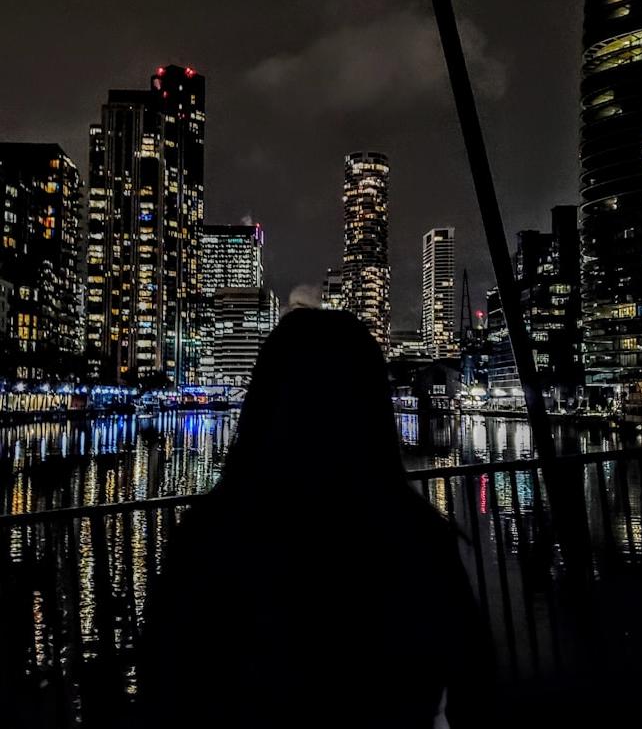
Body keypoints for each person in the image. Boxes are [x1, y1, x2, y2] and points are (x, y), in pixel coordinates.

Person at [137, 309, 487, 728]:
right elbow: (471, 678)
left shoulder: (212, 537)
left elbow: (164, 682)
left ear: (263, 405)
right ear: (372, 411)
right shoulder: (417, 538)